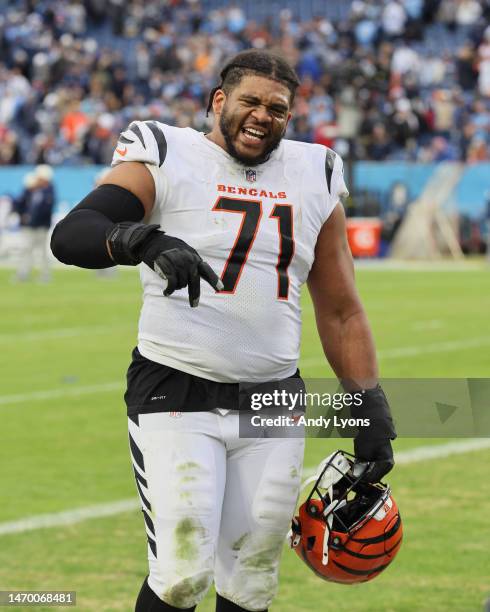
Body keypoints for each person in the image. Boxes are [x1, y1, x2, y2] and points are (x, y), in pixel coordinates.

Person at [50, 50, 396, 612]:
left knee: (252, 578)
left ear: (291, 116)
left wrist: (370, 407)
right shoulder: (168, 152)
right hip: (178, 386)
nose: (262, 116)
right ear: (219, 101)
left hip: (273, 394)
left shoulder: (315, 171)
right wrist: (138, 240)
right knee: (182, 574)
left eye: (277, 109)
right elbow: (73, 234)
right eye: (250, 102)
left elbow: (341, 310)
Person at [15, 165, 55, 282]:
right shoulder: (30, 189)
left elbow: (46, 209)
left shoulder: (49, 190)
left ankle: (45, 275)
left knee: (42, 252)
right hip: (29, 227)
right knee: (26, 250)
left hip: (41, 226)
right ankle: (23, 274)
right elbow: (19, 204)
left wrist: (31, 219)